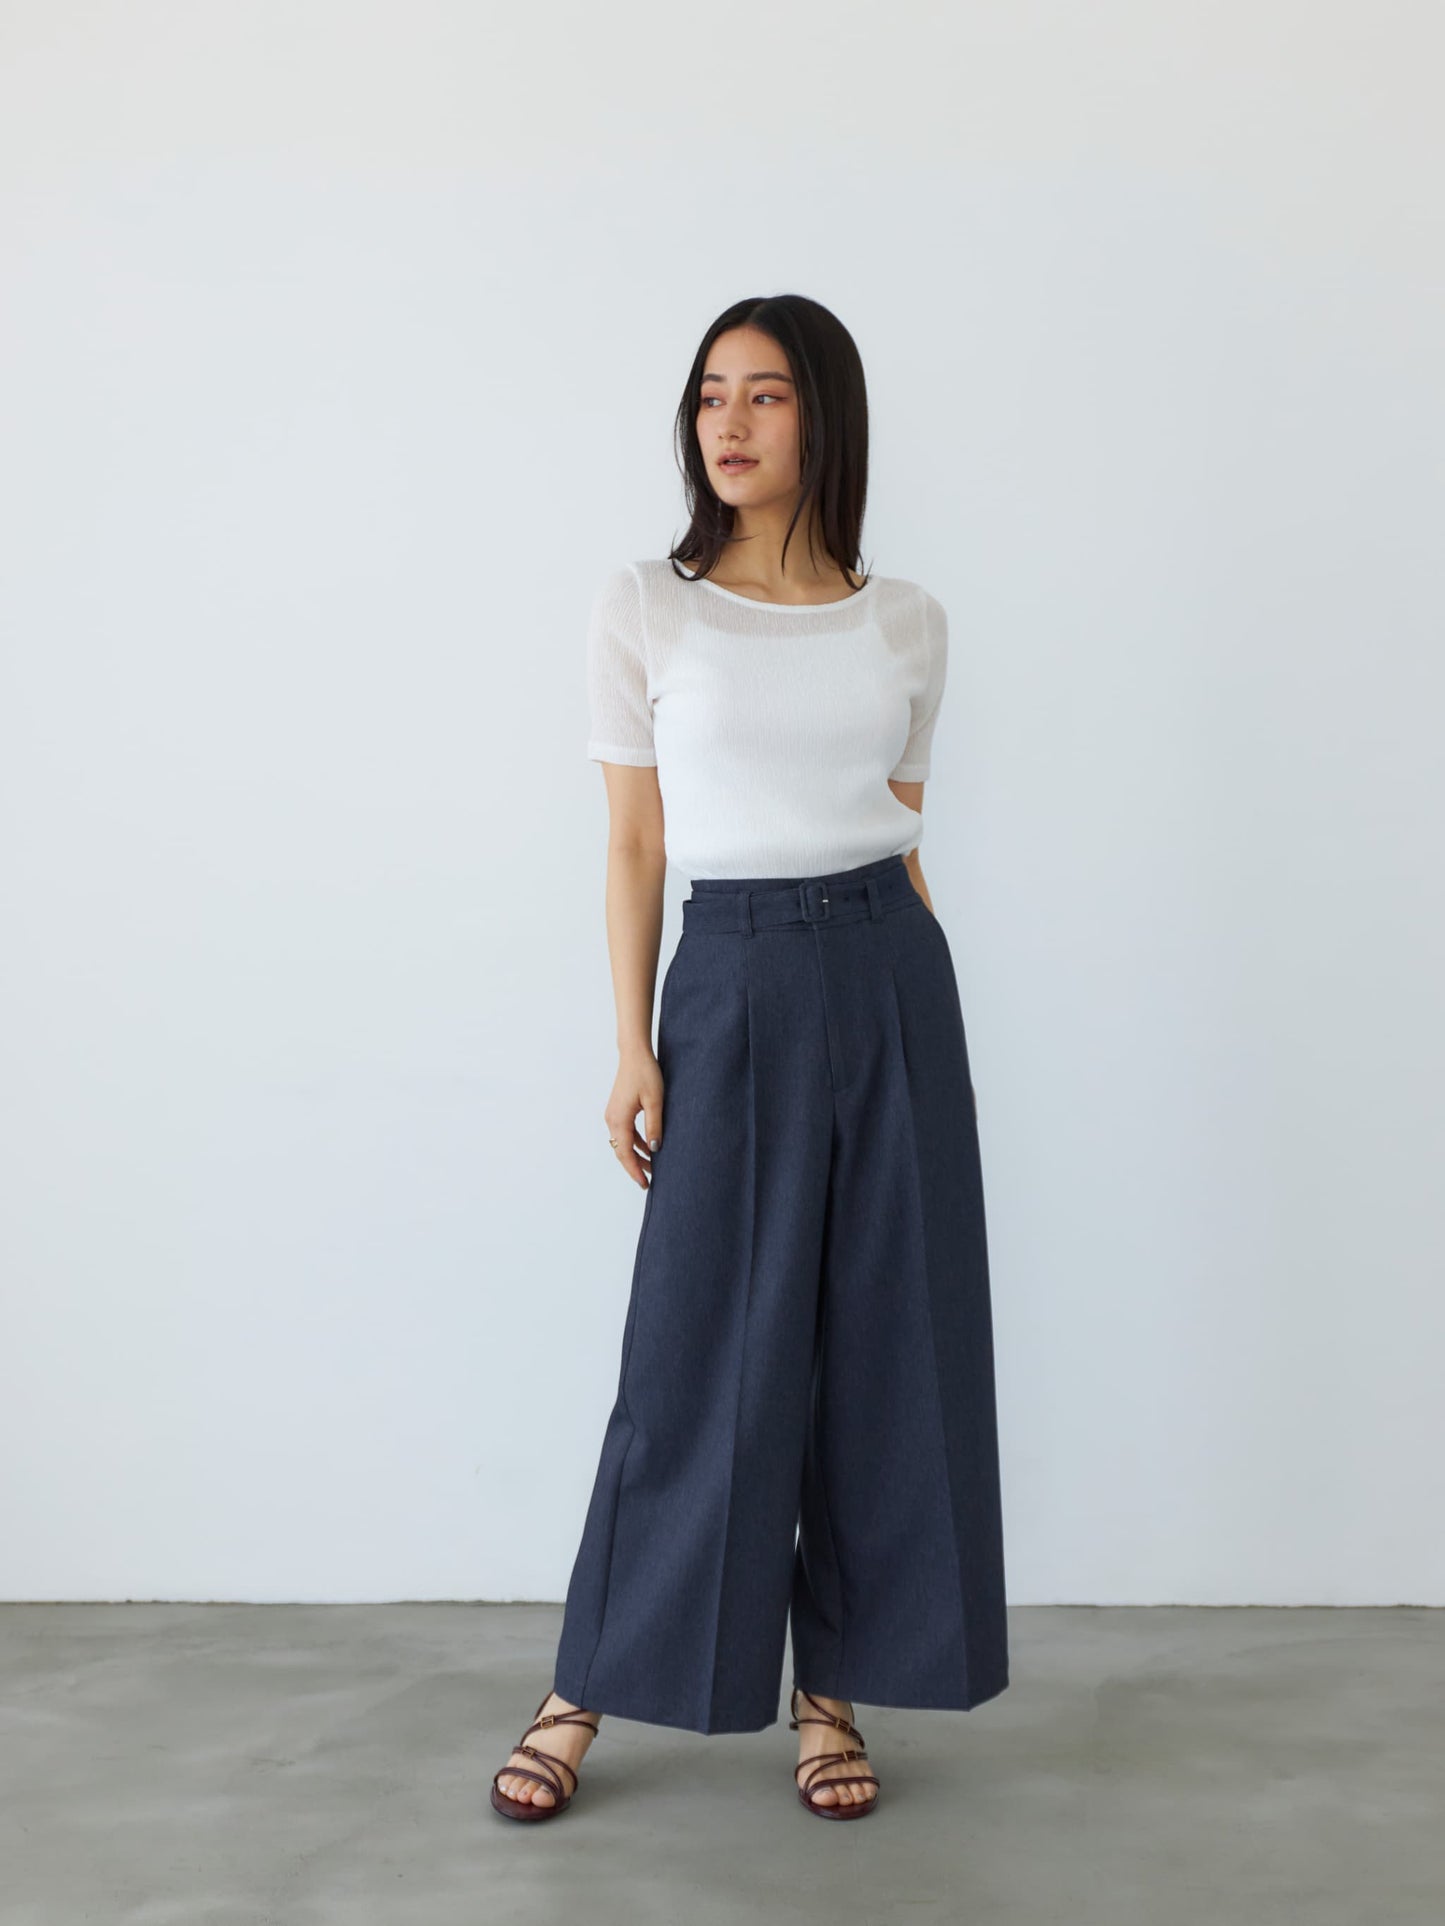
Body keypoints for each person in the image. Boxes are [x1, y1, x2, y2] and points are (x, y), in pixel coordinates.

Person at [492, 293, 1008, 1825]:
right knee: (694, 1352)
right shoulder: (646, 606)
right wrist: (631, 1043)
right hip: (727, 979)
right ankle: (581, 1684)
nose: (728, 420)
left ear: (821, 416)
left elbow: (900, 836)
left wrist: (912, 1028)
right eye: (711, 392)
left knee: (887, 1345)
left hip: (888, 977)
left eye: (765, 394)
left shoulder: (905, 620)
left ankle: (830, 1692)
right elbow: (634, 842)